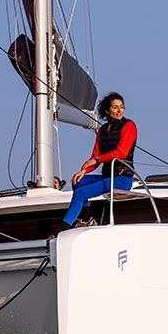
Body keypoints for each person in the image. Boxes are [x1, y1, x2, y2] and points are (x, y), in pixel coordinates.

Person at [55, 92, 138, 233]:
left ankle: (61, 229)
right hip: (107, 177)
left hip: (121, 179)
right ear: (107, 110)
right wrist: (83, 171)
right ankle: (86, 220)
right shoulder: (102, 130)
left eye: (122, 107)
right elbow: (95, 156)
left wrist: (98, 159)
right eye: (115, 107)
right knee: (77, 182)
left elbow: (121, 153)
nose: (119, 111)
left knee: (81, 194)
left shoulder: (129, 126)